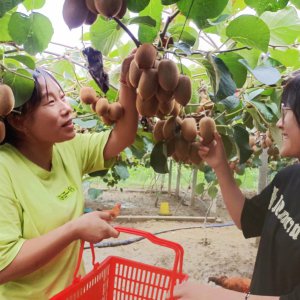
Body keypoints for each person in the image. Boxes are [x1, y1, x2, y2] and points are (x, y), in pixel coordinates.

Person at [0, 54, 138, 299]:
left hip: (73, 293)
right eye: (51, 102)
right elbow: (4, 266)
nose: (67, 108)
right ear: (18, 120)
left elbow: (123, 136)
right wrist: (74, 229)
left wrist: (128, 80)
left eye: (63, 97)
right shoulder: (4, 170)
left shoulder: (67, 147)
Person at [171, 73, 300, 300]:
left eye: (285, 111)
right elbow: (247, 219)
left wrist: (212, 296)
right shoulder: (288, 178)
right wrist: (220, 165)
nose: (279, 123)